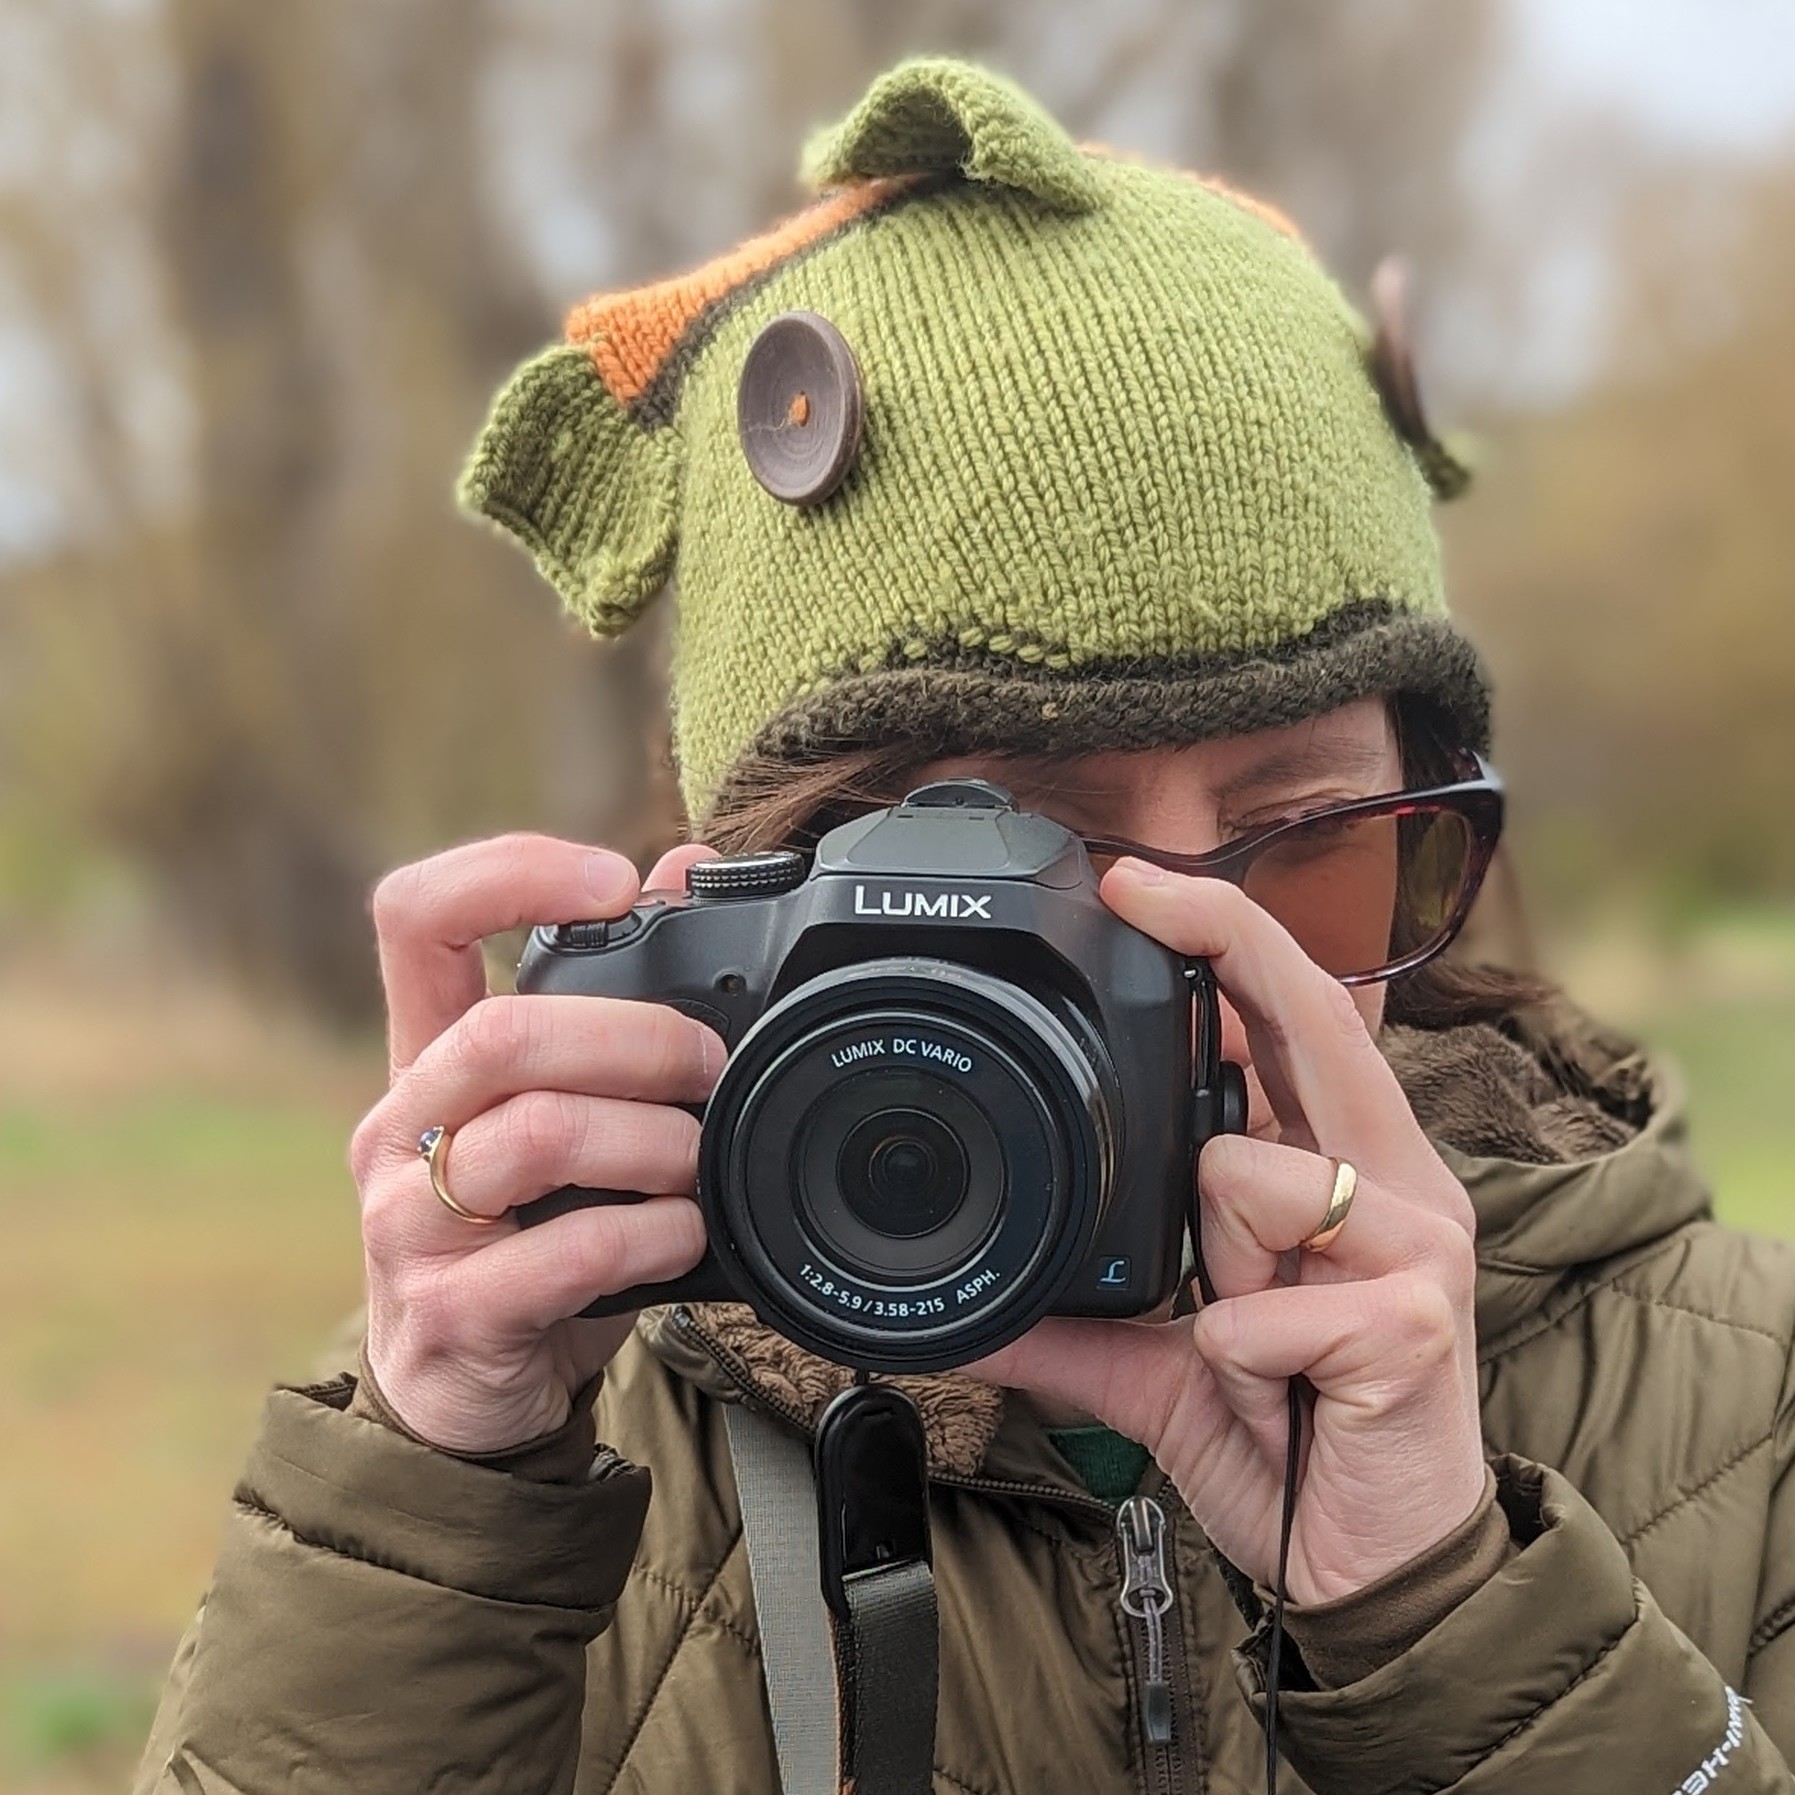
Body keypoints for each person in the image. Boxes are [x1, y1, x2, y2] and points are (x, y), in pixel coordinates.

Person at [134, 58, 1795, 1795]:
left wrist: (1455, 1616)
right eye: (1028, 868)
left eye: (1308, 851)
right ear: (741, 889)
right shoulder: (529, 1414)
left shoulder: (1743, 1410)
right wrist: (442, 1522)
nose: (1202, 981)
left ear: (1429, 815)